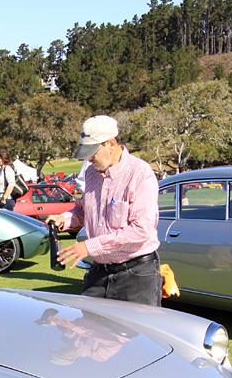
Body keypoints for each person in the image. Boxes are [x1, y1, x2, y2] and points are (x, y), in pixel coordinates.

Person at [48, 115, 161, 306]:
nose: (88, 158)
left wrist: (88, 247)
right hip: (99, 271)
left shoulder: (140, 173)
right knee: (87, 329)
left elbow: (142, 229)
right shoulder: (91, 173)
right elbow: (84, 211)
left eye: (92, 151)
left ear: (111, 144)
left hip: (137, 274)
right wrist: (64, 219)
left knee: (137, 334)